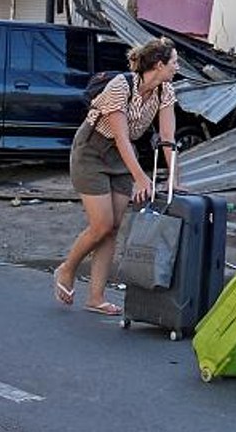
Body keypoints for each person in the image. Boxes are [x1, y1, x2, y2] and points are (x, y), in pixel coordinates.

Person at [53, 37, 179, 316]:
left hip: (122, 156)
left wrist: (174, 178)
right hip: (92, 150)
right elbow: (120, 136)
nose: (177, 67)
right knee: (101, 224)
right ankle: (67, 268)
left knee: (114, 227)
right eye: (174, 62)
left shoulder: (164, 90)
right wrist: (141, 177)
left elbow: (168, 137)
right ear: (159, 64)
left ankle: (95, 297)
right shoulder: (121, 86)